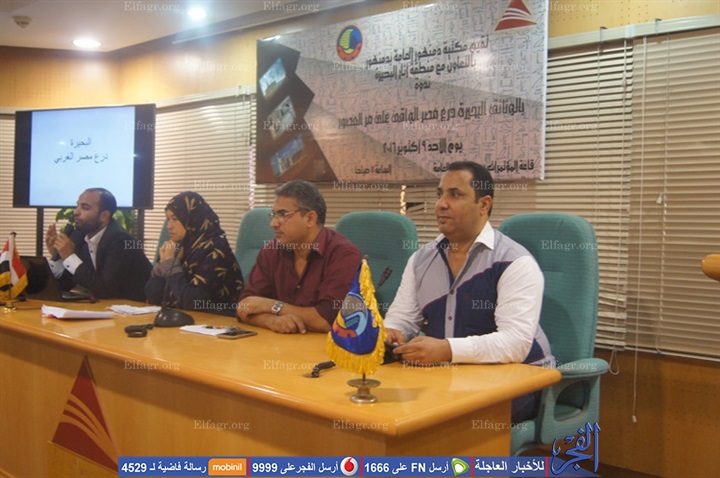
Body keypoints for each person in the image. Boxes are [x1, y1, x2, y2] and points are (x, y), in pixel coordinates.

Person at [384, 161, 555, 423]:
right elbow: (402, 318)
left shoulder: (514, 261)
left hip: (520, 382)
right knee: (386, 409)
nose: (441, 204)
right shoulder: (421, 260)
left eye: (454, 194)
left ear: (484, 204)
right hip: (450, 379)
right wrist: (392, 331)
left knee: (438, 425)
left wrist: (446, 350)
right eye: (440, 194)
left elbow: (516, 343)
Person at [237, 180, 361, 334]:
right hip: (279, 343)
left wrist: (272, 306)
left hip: (322, 345)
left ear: (310, 219)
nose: (273, 223)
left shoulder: (343, 254)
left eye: (282, 214)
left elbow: (327, 320)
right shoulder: (272, 251)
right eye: (273, 215)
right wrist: (272, 321)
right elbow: (245, 306)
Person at [145, 192, 244, 316]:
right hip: (182, 321)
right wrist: (162, 265)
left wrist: (170, 264)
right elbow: (152, 297)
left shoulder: (216, 251)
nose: (169, 226)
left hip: (216, 321)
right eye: (168, 219)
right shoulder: (179, 247)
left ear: (192, 219)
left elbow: (192, 302)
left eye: (175, 219)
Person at [46, 188, 152, 301]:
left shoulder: (121, 241)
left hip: (136, 307)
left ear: (104, 216)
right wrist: (59, 256)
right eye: (77, 205)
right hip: (105, 306)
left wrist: (70, 258)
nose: (76, 212)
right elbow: (67, 283)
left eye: (85, 207)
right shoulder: (79, 236)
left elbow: (105, 289)